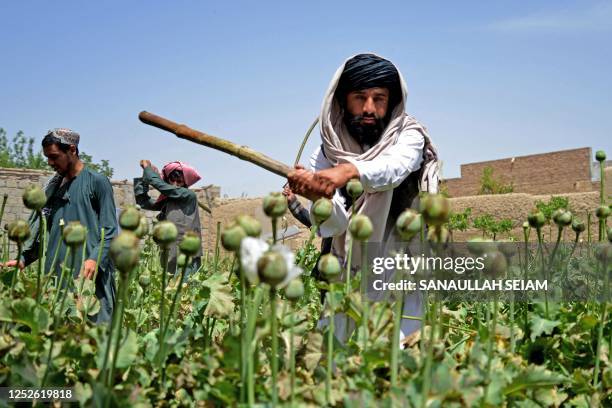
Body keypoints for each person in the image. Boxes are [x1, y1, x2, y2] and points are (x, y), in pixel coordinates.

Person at [288, 53, 440, 342]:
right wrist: (318, 199)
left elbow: (392, 170)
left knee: (400, 359)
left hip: (400, 266)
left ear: (392, 101)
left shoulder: (408, 135)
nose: (369, 108)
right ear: (343, 100)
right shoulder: (326, 152)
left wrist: (347, 171)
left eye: (379, 98)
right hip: (346, 271)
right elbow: (334, 223)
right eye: (360, 97)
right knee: (330, 356)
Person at [5, 128, 118, 323]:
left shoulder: (97, 182)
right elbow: (46, 236)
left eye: (54, 157)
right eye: (47, 157)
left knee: (96, 339)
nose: (50, 163)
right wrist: (23, 259)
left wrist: (94, 259)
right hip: (57, 279)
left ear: (72, 150)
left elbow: (109, 229)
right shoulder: (53, 189)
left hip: (89, 279)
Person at [134, 160, 203, 277]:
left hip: (186, 252)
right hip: (169, 251)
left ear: (186, 182)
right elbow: (144, 202)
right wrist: (144, 178)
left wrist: (148, 170)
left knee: (187, 288)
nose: (175, 184)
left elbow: (161, 186)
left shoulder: (189, 195)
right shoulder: (168, 200)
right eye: (172, 180)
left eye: (180, 181)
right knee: (169, 288)